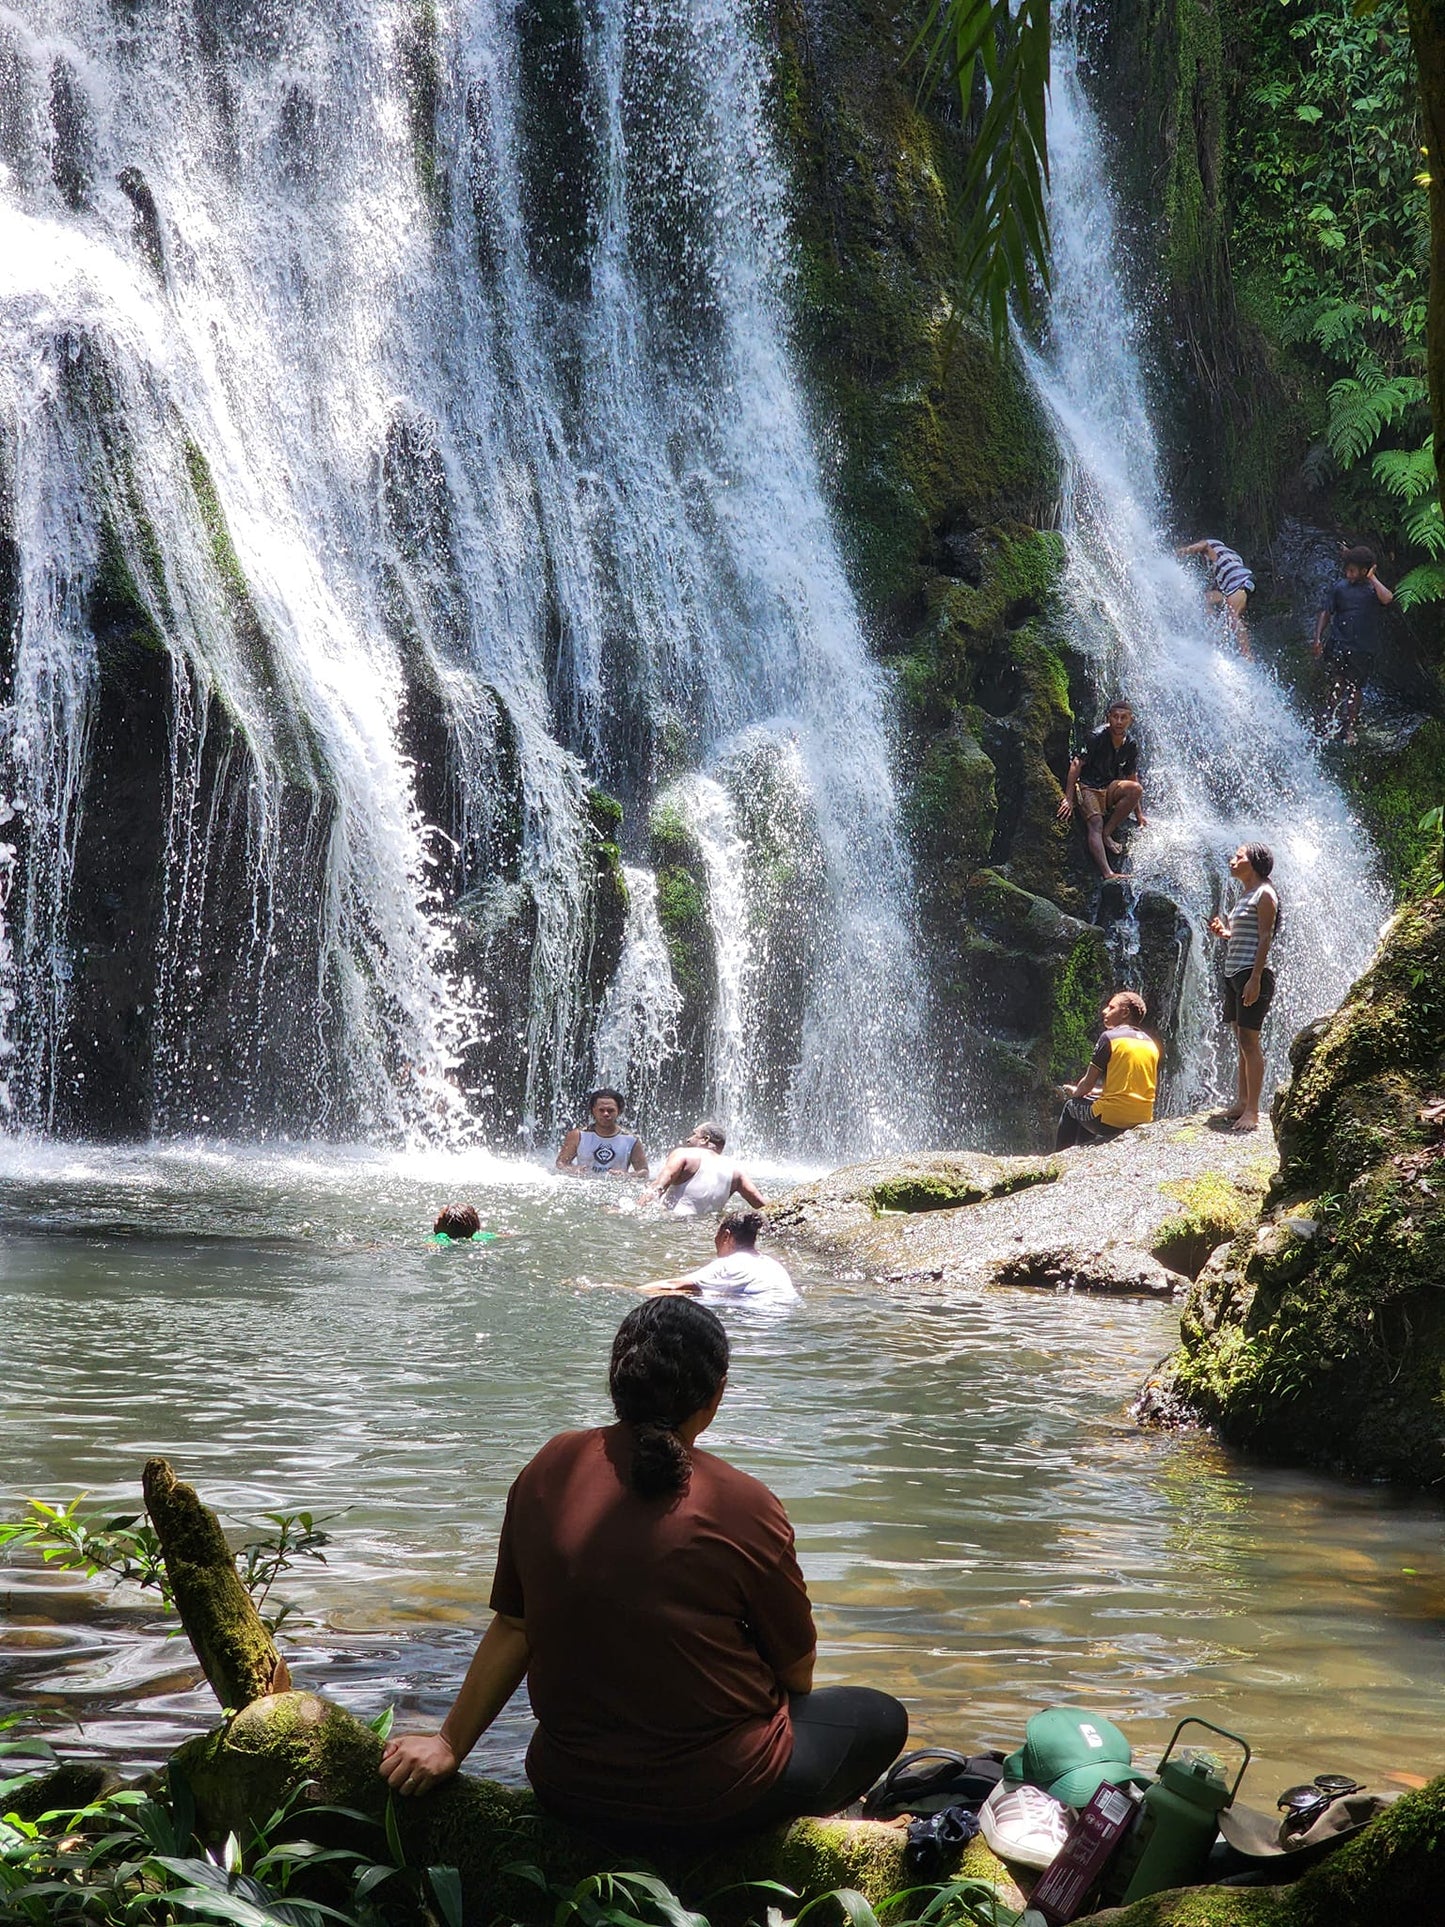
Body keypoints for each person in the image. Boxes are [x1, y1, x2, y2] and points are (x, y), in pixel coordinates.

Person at [378, 1298, 907, 1843]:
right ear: (717, 1394)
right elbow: (797, 1673)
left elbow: (514, 1627)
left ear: (617, 1378)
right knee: (880, 1716)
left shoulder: (549, 1467)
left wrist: (448, 1744)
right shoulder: (743, 1502)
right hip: (712, 1800)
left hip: (569, 1791)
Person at [1208, 842, 1279, 1134]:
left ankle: (1252, 1110)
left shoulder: (1265, 893)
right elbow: (1245, 936)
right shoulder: (1246, 895)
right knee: (1241, 1040)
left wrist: (1256, 978)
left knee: (1250, 1041)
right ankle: (1241, 1101)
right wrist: (1225, 933)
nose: (1232, 860)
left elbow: (1265, 938)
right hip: (1234, 973)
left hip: (1251, 974)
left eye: (1239, 857)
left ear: (1255, 862)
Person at [1056, 989, 1160, 1151]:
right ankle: (1085, 1152)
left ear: (1124, 1012)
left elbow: (1087, 1084)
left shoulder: (1110, 1038)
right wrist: (1099, 1092)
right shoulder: (1150, 1043)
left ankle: (1057, 1159)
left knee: (1071, 1106)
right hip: (1143, 1118)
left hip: (1112, 1120)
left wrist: (1076, 1092)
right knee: (1090, 1106)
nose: (1105, 1011)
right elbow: (1129, 1086)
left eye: (1111, 1007)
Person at [1057, 700, 1148, 882]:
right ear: (1108, 718)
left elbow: (1131, 776)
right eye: (1115, 717)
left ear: (1131, 720)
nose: (1119, 722)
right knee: (1095, 824)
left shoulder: (1130, 744)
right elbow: (1076, 764)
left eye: (1124, 718)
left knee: (1135, 789)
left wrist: (1139, 814)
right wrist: (1068, 798)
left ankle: (1108, 833)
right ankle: (1108, 873)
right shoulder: (1096, 736)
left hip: (1108, 786)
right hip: (1087, 786)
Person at [1313, 545, 1394, 743]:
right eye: (1347, 570)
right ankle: (1328, 725)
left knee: (1355, 689)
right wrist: (1317, 638)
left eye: (1353, 571)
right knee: (1336, 684)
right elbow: (1326, 612)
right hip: (1339, 644)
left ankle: (1349, 728)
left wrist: (1372, 577)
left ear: (1365, 571)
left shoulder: (1373, 590)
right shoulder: (1340, 588)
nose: (1348, 574)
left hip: (1363, 649)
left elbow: (1388, 598)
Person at [643, 1210, 800, 1304]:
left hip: (757, 1321)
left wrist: (627, 1291)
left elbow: (672, 1286)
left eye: (716, 1235)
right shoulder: (772, 1264)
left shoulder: (732, 1264)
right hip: (782, 1322)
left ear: (726, 1236)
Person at [638, 1122, 767, 1216]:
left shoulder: (684, 1154)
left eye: (694, 1134)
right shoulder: (736, 1170)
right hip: (708, 1231)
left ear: (705, 1139)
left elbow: (658, 1187)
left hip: (675, 1225)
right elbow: (762, 1205)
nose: (688, 1139)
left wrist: (636, 1209)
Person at [1177, 537, 1255, 657]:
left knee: (1232, 615)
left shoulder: (1212, 545)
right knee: (1204, 600)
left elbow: (1202, 545)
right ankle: (1215, 633)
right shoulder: (1231, 557)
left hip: (1239, 582)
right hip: (1242, 583)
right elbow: (1218, 595)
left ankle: (1247, 655)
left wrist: (1183, 551)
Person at [555, 1089, 649, 1179]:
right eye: (601, 1110)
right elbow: (561, 1163)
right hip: (583, 1185)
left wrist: (627, 1175)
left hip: (616, 1188)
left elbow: (644, 1171)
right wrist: (573, 1169)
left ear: (619, 1111)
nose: (606, 1114)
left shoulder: (631, 1140)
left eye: (610, 1110)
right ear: (593, 1111)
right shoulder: (577, 1135)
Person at [430, 1205, 500, 1245]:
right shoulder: (480, 1236)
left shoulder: (441, 1237)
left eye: (438, 1219)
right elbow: (501, 1236)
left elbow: (431, 1246)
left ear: (446, 1227)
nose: (435, 1221)